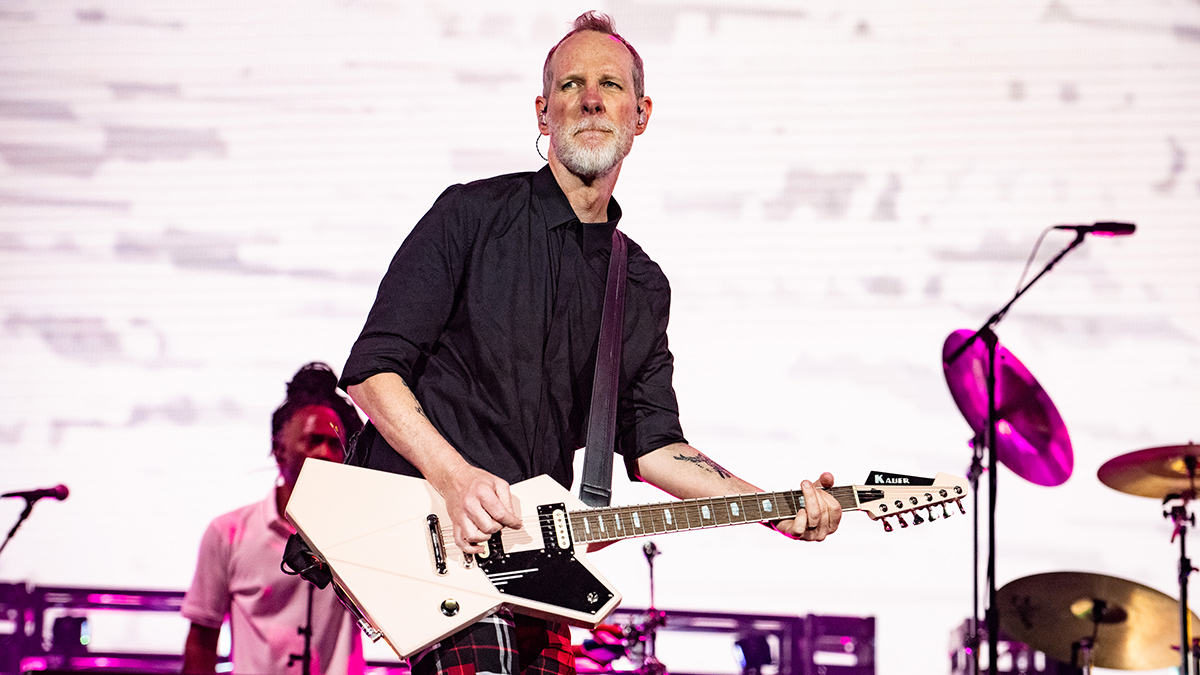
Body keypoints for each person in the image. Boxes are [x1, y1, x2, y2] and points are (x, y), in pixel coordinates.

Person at [339, 10, 843, 675]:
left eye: (611, 84)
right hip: (424, 520)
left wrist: (776, 510)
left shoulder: (636, 283)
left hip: (531, 550)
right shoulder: (470, 215)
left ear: (641, 115)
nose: (592, 97)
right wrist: (453, 476)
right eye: (571, 84)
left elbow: (658, 447)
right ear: (544, 112)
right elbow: (372, 372)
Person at [180, 363, 367, 675]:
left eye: (335, 444)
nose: (324, 453)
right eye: (313, 440)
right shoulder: (228, 532)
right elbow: (201, 640)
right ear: (280, 451)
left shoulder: (360, 532)